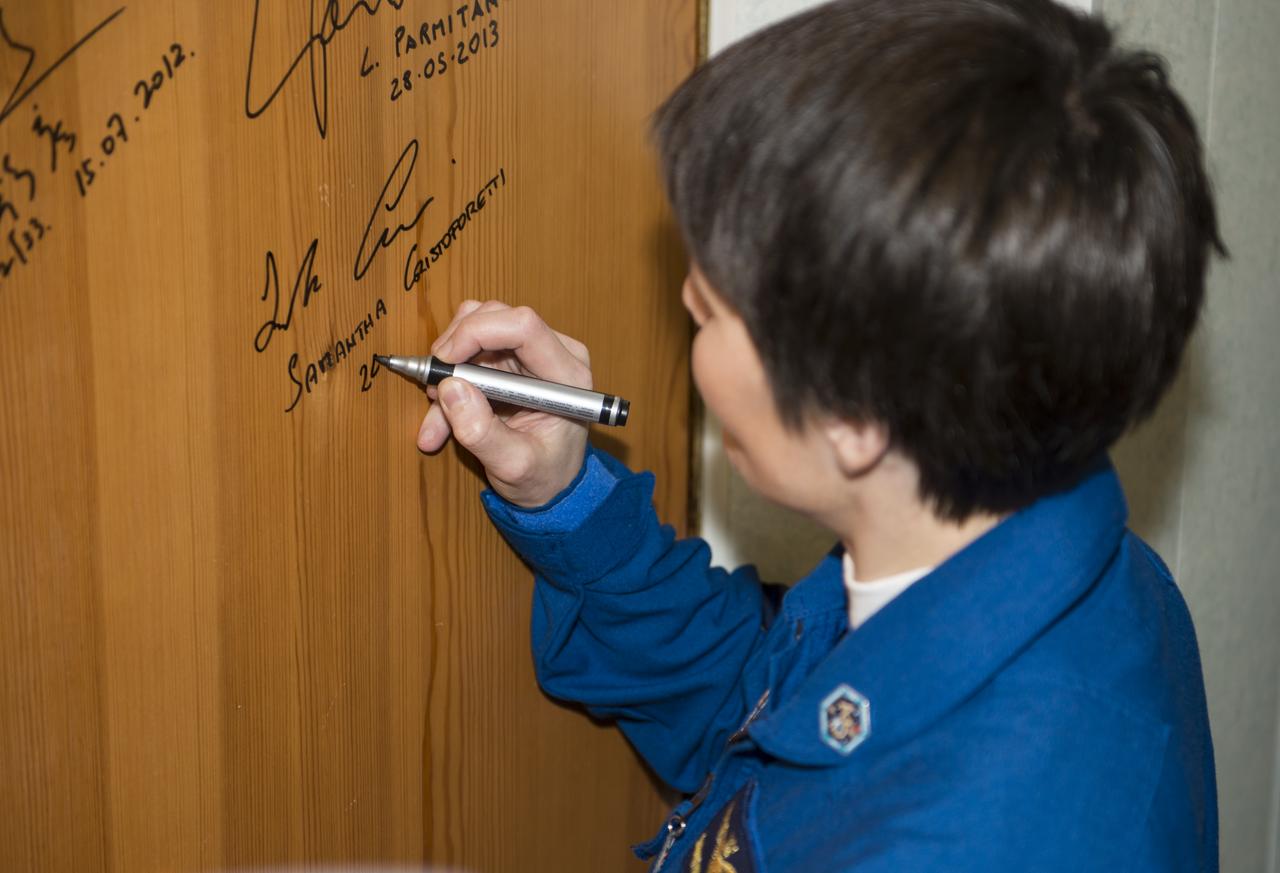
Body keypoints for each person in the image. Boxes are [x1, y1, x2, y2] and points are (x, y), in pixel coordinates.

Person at [413, 0, 1224, 869]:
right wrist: (570, 500)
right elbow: (770, 726)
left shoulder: (968, 838)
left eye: (714, 312)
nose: (686, 303)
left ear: (855, 420)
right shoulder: (1015, 550)